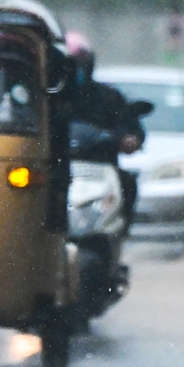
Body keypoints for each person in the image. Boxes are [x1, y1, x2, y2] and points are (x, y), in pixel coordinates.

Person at [62, 31, 145, 226]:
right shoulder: (48, 97)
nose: (76, 70)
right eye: (71, 65)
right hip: (59, 166)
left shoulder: (108, 97)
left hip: (101, 167)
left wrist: (130, 139)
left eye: (81, 63)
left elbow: (130, 127)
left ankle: (119, 232)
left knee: (127, 184)